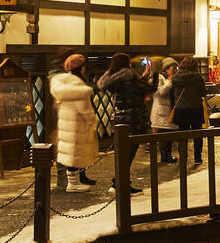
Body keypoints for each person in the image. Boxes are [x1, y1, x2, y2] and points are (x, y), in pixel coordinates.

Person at [97, 53, 150, 193]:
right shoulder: (129, 77)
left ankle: (119, 183)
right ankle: (119, 185)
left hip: (121, 119)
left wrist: (144, 76)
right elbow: (145, 89)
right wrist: (150, 74)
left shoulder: (115, 79)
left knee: (124, 154)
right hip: (132, 119)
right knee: (128, 154)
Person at [48, 49, 98, 191]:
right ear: (81, 67)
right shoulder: (78, 85)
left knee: (69, 153)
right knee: (75, 153)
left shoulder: (62, 82)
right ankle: (73, 183)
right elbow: (84, 109)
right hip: (77, 124)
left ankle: (72, 182)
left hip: (66, 122)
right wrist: (92, 121)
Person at [167, 57, 208, 167]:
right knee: (197, 135)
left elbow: (172, 95)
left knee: (182, 134)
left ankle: (183, 157)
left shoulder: (175, 78)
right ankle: (197, 158)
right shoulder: (198, 78)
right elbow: (203, 93)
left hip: (181, 110)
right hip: (195, 109)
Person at [148, 57, 179, 162]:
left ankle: (167, 156)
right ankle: (165, 157)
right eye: (173, 68)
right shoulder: (160, 78)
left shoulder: (173, 79)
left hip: (168, 111)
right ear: (166, 69)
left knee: (168, 135)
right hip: (161, 111)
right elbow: (159, 92)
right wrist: (169, 81)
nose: (175, 70)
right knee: (164, 135)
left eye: (176, 67)